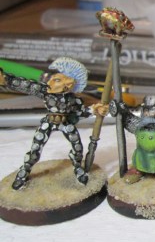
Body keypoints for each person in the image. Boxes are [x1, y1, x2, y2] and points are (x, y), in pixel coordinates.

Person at [0, 57, 108, 190]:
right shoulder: (45, 91)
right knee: (35, 149)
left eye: (57, 80)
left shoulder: (74, 100)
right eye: (53, 79)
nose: (50, 82)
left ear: (68, 85)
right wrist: (6, 80)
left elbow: (80, 113)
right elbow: (26, 85)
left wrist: (94, 110)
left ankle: (78, 169)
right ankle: (24, 172)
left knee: (77, 149)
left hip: (66, 123)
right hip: (49, 123)